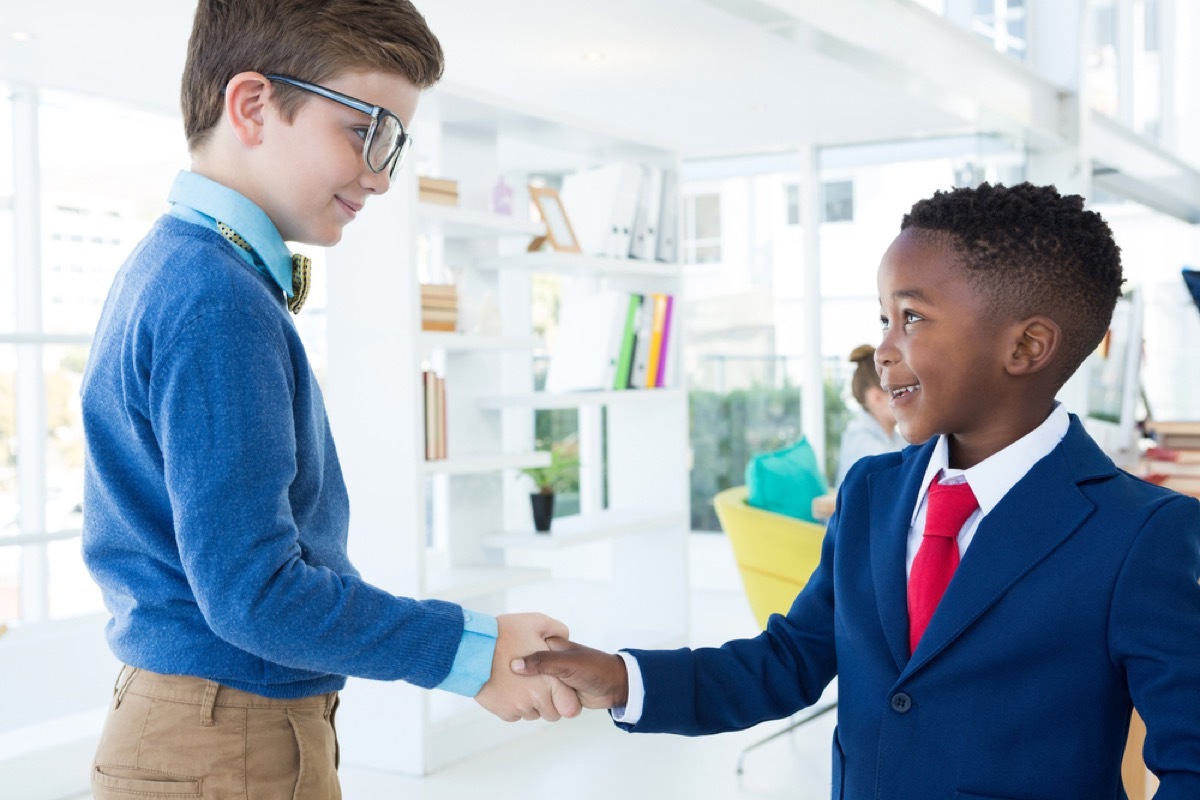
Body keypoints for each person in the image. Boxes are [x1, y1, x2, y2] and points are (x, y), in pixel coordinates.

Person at [514, 182, 1200, 798]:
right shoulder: (872, 490)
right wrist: (622, 678)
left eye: (913, 317)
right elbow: (789, 660)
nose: (884, 349)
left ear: (1025, 348)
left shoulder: (1142, 534)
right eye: (883, 319)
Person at [81, 2, 577, 797]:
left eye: (393, 144)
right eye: (363, 131)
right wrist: (473, 652)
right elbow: (257, 596)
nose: (381, 175)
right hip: (226, 736)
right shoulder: (216, 299)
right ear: (253, 106)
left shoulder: (181, 267)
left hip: (210, 723)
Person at [835, 344, 904, 486]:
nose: (906, 399)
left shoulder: (895, 439)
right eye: (899, 392)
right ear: (876, 397)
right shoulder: (860, 442)